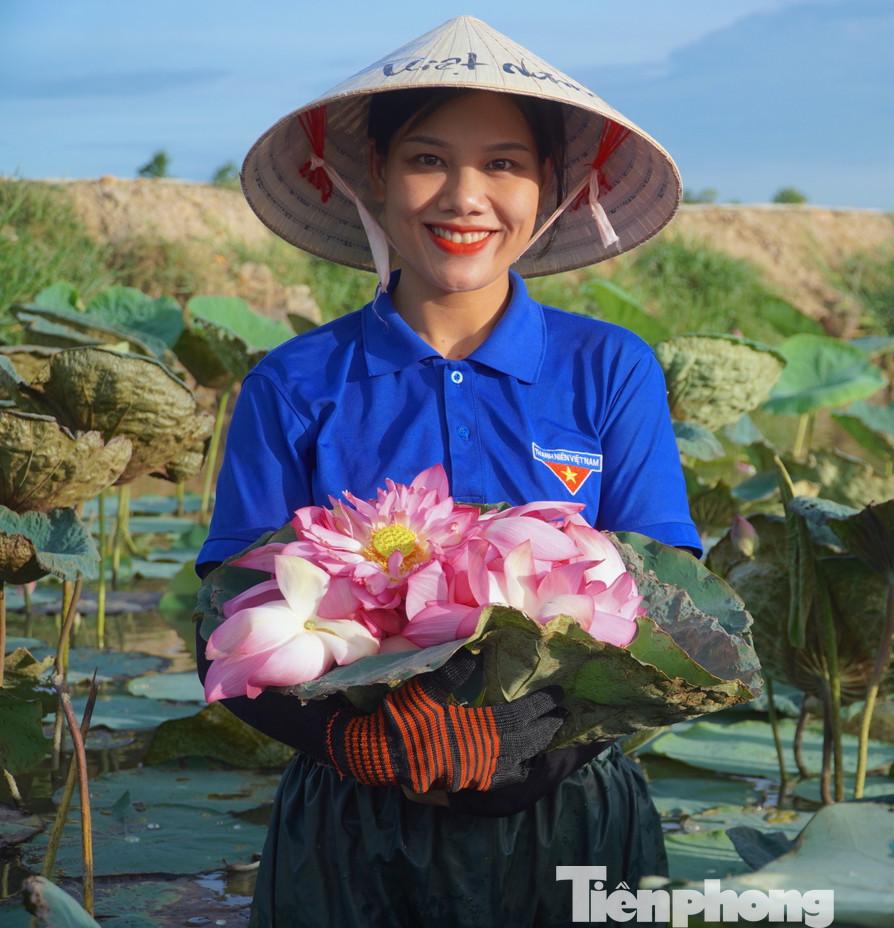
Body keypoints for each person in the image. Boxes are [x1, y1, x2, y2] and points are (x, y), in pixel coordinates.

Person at [195, 16, 698, 927]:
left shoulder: (610, 369)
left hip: (571, 811)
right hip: (355, 826)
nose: (466, 197)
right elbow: (226, 619)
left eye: (504, 164)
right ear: (375, 173)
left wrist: (540, 750)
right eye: (428, 160)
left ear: (551, 185)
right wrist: (356, 743)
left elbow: (671, 603)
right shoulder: (295, 383)